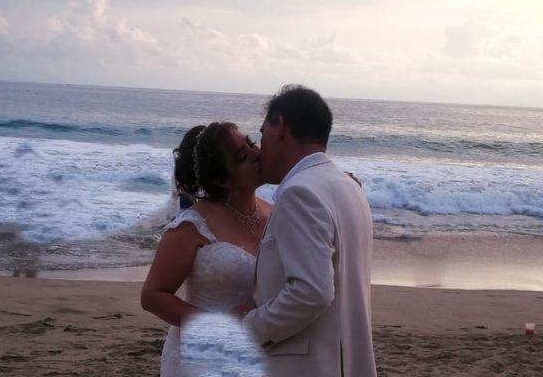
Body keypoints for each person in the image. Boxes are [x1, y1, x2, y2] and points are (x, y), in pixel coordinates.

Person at [242, 85, 377, 377]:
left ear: (280, 127)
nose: (259, 147)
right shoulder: (348, 187)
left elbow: (311, 292)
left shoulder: (299, 192)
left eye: (262, 134)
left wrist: (250, 327)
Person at [141, 122, 271, 377]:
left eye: (251, 143)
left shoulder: (276, 211)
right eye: (243, 156)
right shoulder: (192, 225)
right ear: (221, 179)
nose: (256, 153)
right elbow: (153, 296)